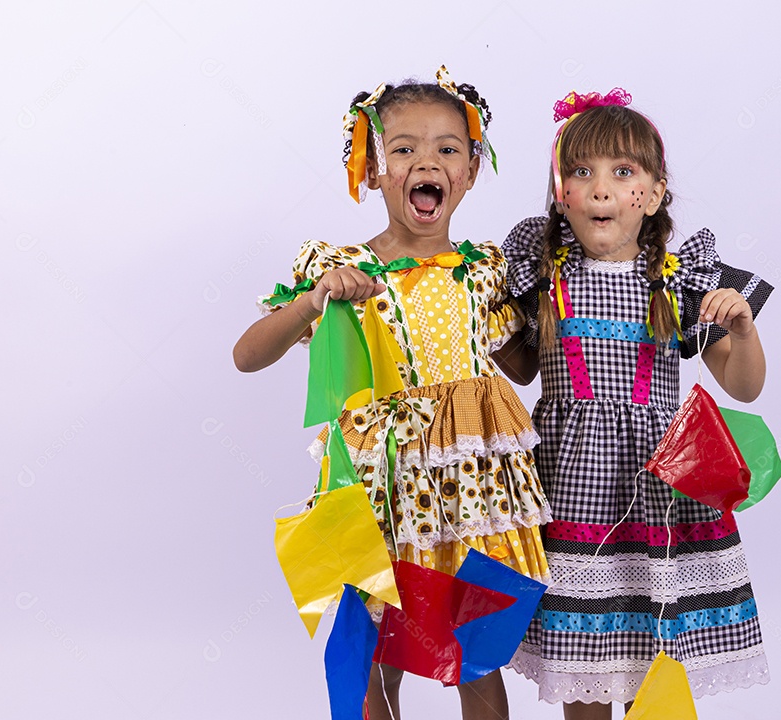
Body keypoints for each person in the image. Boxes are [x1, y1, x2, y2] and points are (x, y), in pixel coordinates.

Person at [233, 67, 551, 720]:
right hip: (382, 485)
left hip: (471, 486)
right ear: (373, 170)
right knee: (376, 648)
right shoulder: (343, 268)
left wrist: (568, 297)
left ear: (469, 171)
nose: (424, 162)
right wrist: (316, 302)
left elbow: (525, 368)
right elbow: (247, 354)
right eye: (402, 148)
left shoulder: (485, 271)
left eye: (446, 149)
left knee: (475, 650)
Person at [500, 89, 773, 719]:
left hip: (661, 492)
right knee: (586, 665)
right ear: (560, 194)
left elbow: (744, 385)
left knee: (656, 651)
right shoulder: (545, 279)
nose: (601, 189)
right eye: (581, 172)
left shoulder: (676, 281)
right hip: (572, 492)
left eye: (623, 173)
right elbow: (511, 367)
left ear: (652, 194)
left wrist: (743, 331)